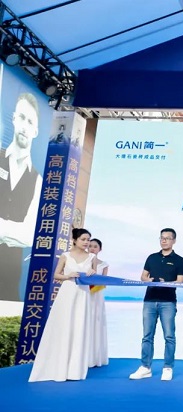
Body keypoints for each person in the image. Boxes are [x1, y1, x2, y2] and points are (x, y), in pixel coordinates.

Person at [29, 228, 97, 382]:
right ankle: (58, 367)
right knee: (64, 327)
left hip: (83, 295)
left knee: (79, 328)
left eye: (88, 240)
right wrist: (68, 276)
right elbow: (56, 275)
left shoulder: (92, 257)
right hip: (67, 293)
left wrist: (93, 274)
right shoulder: (65, 255)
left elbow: (94, 281)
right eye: (83, 239)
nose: (86, 242)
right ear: (75, 240)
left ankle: (75, 371)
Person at [0, 93, 43, 302]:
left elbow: (28, 235)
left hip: (8, 279)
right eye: (22, 118)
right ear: (14, 119)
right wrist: (11, 231)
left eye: (30, 122)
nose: (25, 126)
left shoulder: (38, 180)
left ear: (36, 130)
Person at [129, 228, 183, 381]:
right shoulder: (152, 257)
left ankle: (168, 367)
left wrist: (165, 283)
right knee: (147, 336)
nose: (164, 240)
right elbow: (143, 276)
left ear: (174, 240)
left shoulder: (179, 260)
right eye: (162, 238)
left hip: (168, 302)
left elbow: (180, 281)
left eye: (167, 238)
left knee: (169, 336)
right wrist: (149, 280)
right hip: (149, 300)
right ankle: (145, 367)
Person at [87, 238, 109, 368]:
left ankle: (95, 357)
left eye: (95, 246)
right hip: (84, 294)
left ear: (100, 249)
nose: (92, 248)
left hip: (97, 295)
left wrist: (94, 286)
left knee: (96, 321)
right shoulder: (82, 262)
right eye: (90, 246)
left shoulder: (104, 264)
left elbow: (104, 282)